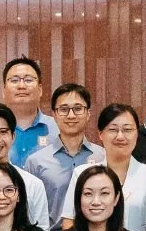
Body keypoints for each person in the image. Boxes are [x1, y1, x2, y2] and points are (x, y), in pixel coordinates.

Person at [65, 103, 146, 231]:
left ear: (137, 134)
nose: (120, 136)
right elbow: (69, 222)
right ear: (100, 134)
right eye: (113, 130)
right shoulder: (83, 173)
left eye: (127, 130)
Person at [22, 82, 105, 214]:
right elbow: (29, 209)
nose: (71, 115)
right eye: (64, 109)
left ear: (88, 114)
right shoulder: (35, 161)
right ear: (54, 115)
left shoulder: (103, 157)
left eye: (78, 109)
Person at [1, 56, 55, 163]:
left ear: (40, 90)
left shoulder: (58, 128)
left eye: (28, 80)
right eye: (14, 80)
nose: (21, 86)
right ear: (3, 90)